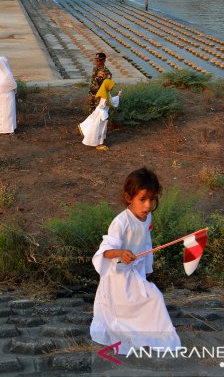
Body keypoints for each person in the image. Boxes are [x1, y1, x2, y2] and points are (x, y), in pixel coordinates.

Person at [90, 167, 180, 353]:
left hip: (136, 271)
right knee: (131, 306)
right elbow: (105, 251)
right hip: (119, 276)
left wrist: (148, 270)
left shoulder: (147, 218)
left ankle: (150, 336)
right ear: (128, 198)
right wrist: (120, 252)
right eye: (142, 199)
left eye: (152, 199)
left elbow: (147, 244)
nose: (147, 206)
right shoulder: (121, 222)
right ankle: (126, 335)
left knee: (152, 298)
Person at [80, 78, 121, 150]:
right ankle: (98, 144)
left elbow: (110, 101)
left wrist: (118, 96)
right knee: (97, 128)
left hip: (101, 113)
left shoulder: (107, 93)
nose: (112, 87)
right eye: (111, 86)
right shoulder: (104, 95)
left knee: (95, 125)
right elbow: (102, 105)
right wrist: (106, 105)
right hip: (101, 113)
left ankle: (84, 128)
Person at [0, 57, 17, 135]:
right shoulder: (0, 72)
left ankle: (10, 129)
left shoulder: (7, 73)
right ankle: (1, 129)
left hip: (8, 96)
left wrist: (11, 88)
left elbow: (13, 84)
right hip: (1, 95)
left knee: (9, 112)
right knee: (1, 112)